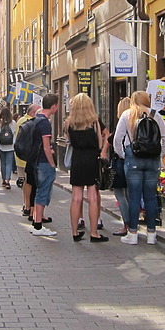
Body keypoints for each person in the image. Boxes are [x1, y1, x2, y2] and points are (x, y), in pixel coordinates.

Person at [113, 91, 165, 246]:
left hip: (134, 159)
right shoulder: (155, 115)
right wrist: (159, 154)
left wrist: (124, 155)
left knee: (134, 197)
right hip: (152, 160)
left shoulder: (127, 115)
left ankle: (133, 233)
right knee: (150, 197)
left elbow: (117, 139)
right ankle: (151, 234)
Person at [65, 93, 109, 243]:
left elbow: (69, 140)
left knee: (76, 198)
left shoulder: (69, 122)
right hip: (92, 159)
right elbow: (106, 134)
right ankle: (94, 233)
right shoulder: (95, 121)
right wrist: (103, 150)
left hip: (77, 158)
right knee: (92, 197)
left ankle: (75, 232)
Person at [31, 93, 59, 237]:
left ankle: (36, 220)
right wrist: (52, 163)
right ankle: (38, 226)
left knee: (38, 191)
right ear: (53, 106)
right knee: (43, 192)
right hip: (43, 162)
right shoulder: (45, 123)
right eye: (57, 105)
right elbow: (46, 147)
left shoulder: (36, 118)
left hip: (36, 160)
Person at [110, 97, 131, 236]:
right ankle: (132, 224)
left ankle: (126, 225)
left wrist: (122, 155)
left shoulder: (122, 123)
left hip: (121, 161)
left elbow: (117, 141)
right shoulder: (136, 123)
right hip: (132, 161)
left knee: (120, 194)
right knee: (130, 194)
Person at [15, 104, 39, 216]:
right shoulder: (32, 122)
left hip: (20, 156)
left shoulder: (20, 120)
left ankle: (25, 204)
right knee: (29, 181)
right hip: (29, 156)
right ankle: (28, 206)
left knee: (25, 181)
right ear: (33, 112)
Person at [0, 107, 17, 189]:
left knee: (3, 163)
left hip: (1, 146)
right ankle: (8, 180)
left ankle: (3, 179)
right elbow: (15, 134)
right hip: (10, 146)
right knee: (9, 163)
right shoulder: (13, 123)